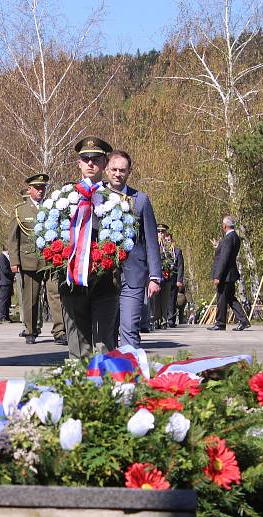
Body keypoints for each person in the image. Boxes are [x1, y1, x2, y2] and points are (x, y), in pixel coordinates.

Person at [58, 137, 119, 360]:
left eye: (96, 159)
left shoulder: (116, 200)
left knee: (105, 342)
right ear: (79, 164)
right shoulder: (64, 199)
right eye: (86, 159)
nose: (91, 163)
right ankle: (78, 388)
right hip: (73, 277)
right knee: (77, 342)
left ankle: (106, 388)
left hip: (104, 279)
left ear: (104, 163)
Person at [102, 150, 162, 349]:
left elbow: (151, 240)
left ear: (129, 172)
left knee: (129, 327)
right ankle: (108, 374)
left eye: (122, 170)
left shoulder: (141, 200)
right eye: (114, 169)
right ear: (106, 169)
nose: (117, 174)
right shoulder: (96, 198)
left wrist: (155, 276)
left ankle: (132, 373)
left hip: (133, 275)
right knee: (105, 331)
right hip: (102, 274)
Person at [7, 173, 65, 345]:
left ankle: (60, 331)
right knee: (30, 297)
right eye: (37, 188)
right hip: (29, 260)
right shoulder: (20, 211)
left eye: (43, 188)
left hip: (50, 261)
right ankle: (30, 331)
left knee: (55, 295)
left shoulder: (52, 208)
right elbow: (12, 239)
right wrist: (14, 261)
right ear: (29, 189)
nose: (40, 191)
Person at [208, 216, 251, 331]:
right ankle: (243, 320)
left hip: (225, 275)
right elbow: (227, 252)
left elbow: (224, 258)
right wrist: (219, 246)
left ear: (225, 226)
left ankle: (220, 323)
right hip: (230, 273)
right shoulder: (235, 237)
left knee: (221, 298)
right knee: (231, 298)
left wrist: (218, 276)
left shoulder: (227, 238)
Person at [166, 233, 185, 328]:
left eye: (169, 240)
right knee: (163, 300)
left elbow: (180, 266)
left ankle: (171, 319)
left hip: (173, 278)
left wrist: (179, 280)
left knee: (172, 300)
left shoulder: (177, 251)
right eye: (166, 240)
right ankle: (162, 319)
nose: (167, 242)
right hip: (164, 278)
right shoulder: (162, 251)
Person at [0, 245, 14, 322]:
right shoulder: (2, 257)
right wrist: (13, 274)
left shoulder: (6, 257)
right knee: (3, 300)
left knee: (7, 300)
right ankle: (2, 317)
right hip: (4, 282)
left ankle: (6, 316)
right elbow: (5, 270)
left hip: (8, 281)